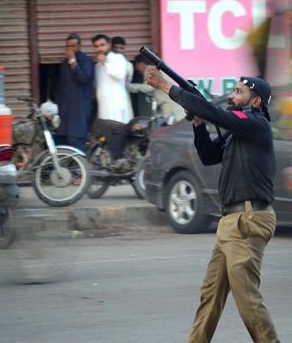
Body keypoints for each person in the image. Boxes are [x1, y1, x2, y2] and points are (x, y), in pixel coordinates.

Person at [145, 68, 280, 343]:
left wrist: (165, 87)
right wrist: (197, 124)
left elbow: (216, 114)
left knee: (248, 301)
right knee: (210, 295)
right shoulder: (236, 134)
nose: (232, 95)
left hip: (248, 219)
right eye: (232, 90)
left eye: (239, 92)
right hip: (231, 221)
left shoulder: (256, 125)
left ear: (255, 102)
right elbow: (208, 155)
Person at [92, 34, 133, 161]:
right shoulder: (97, 66)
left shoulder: (117, 58)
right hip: (104, 111)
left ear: (109, 45)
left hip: (116, 110)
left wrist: (105, 63)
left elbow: (120, 75)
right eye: (96, 46)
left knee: (119, 142)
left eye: (102, 45)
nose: (99, 49)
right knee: (106, 143)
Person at [53, 33, 94, 151]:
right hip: (65, 112)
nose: (70, 49)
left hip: (79, 111)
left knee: (77, 144)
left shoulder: (87, 61)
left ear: (79, 46)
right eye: (68, 46)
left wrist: (73, 62)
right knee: (64, 145)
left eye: (73, 46)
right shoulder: (64, 64)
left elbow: (84, 78)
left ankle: (80, 168)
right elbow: (61, 87)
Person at [126, 54, 184, 123]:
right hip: (175, 103)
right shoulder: (158, 69)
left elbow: (149, 87)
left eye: (136, 65)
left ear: (141, 64)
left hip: (170, 105)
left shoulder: (150, 70)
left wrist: (127, 86)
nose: (136, 68)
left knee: (170, 128)